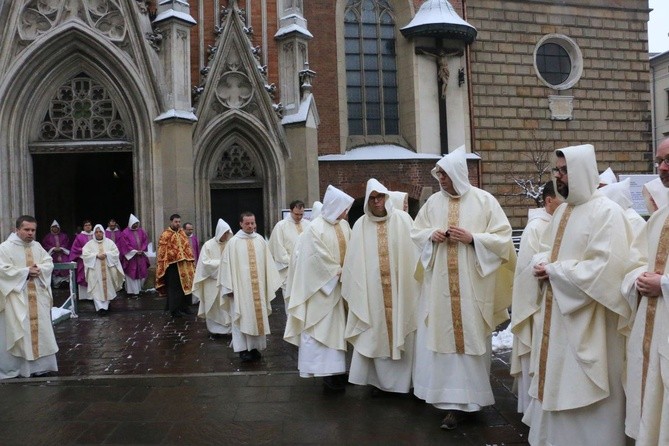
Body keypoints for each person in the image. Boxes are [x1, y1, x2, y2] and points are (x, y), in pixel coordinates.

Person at [524, 144, 632, 446]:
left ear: (583, 171)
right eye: (556, 170)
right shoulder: (563, 213)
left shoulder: (607, 212)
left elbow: (606, 268)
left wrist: (555, 271)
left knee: (587, 391)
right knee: (558, 382)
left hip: (590, 323)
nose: (559, 176)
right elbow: (546, 250)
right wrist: (539, 263)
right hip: (558, 319)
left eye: (564, 170)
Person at [410, 147, 516, 429]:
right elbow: (416, 232)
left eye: (444, 174)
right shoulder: (433, 203)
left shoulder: (484, 201)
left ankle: (472, 400)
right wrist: (430, 237)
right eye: (439, 174)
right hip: (441, 289)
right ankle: (449, 404)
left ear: (457, 173)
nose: (440, 179)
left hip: (472, 289)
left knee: (471, 341)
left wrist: (473, 239)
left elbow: (503, 240)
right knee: (444, 343)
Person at [342, 179, 419, 394]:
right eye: (372, 198)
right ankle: (377, 381)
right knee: (374, 333)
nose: (377, 201)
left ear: (387, 196)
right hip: (372, 292)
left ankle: (407, 382)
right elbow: (353, 263)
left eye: (380, 196)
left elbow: (415, 255)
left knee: (403, 326)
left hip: (400, 290)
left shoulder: (403, 220)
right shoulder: (360, 225)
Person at [621, 137, 669, 444]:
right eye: (659, 161)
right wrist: (638, 278)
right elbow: (638, 260)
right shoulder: (662, 215)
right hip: (654, 324)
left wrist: (663, 284)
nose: (662, 168)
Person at [284, 185, 354, 392]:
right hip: (321, 292)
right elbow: (314, 259)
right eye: (344, 208)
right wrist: (337, 272)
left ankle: (340, 372)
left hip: (341, 291)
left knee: (339, 332)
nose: (346, 213)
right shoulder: (315, 228)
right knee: (322, 331)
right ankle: (326, 375)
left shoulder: (344, 226)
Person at [509, 181, 561, 413]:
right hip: (536, 304)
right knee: (535, 359)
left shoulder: (558, 222)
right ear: (548, 201)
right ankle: (531, 409)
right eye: (561, 198)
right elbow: (527, 270)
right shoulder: (536, 227)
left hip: (552, 299)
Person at [0, 215, 58, 378]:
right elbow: (2, 270)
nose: (30, 233)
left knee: (42, 332)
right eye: (26, 229)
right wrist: (26, 272)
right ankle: (22, 368)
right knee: (20, 331)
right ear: (16, 230)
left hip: (37, 296)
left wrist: (39, 268)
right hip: (17, 298)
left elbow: (49, 262)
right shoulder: (5, 248)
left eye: (33, 230)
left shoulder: (37, 246)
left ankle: (41, 367)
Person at [218, 212, 281, 362]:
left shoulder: (260, 240)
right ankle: (243, 350)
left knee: (257, 317)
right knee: (241, 317)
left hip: (258, 289)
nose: (251, 226)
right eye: (247, 223)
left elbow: (268, 265)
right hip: (240, 290)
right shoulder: (233, 243)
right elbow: (226, 267)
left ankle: (255, 348)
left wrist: (268, 284)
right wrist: (229, 288)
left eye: (253, 223)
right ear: (240, 224)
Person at [194, 219, 233, 336]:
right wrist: (222, 264)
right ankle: (215, 329)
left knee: (227, 305)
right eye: (224, 233)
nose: (226, 235)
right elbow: (205, 264)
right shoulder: (208, 245)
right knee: (213, 305)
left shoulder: (231, 244)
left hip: (227, 282)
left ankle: (229, 329)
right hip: (212, 282)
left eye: (228, 233)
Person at [156, 214, 196, 318]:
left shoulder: (182, 232)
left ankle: (185, 307)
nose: (177, 224)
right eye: (176, 222)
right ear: (171, 222)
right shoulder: (165, 234)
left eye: (179, 222)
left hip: (184, 264)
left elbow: (187, 246)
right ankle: (174, 309)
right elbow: (162, 250)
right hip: (172, 266)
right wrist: (173, 255)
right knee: (175, 288)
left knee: (186, 286)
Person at [82, 224, 125, 315]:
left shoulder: (109, 242)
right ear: (94, 233)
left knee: (107, 288)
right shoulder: (89, 244)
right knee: (97, 289)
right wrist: (96, 255)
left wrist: (106, 254)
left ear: (103, 232)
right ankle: (100, 308)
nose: (98, 234)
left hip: (108, 271)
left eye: (100, 232)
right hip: (95, 272)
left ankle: (106, 306)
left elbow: (115, 253)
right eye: (96, 232)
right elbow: (85, 255)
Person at [269, 200, 309, 295]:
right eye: (296, 214)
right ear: (290, 211)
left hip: (306, 268)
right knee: (290, 298)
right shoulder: (281, 226)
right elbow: (278, 249)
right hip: (289, 269)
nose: (299, 217)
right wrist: (294, 262)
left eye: (301, 214)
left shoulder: (308, 225)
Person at [118, 214, 150, 297]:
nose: (135, 225)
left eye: (137, 223)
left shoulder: (141, 231)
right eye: (134, 223)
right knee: (131, 273)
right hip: (131, 258)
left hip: (140, 256)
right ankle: (132, 291)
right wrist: (134, 251)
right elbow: (124, 244)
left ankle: (139, 290)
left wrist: (142, 250)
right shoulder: (125, 232)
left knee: (141, 272)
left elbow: (145, 241)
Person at [68, 219, 94, 300]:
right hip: (83, 260)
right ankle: (84, 296)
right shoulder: (79, 236)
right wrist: (85, 252)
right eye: (86, 225)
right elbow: (75, 248)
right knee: (84, 276)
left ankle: (94, 296)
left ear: (91, 226)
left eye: (89, 225)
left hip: (94, 260)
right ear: (83, 227)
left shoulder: (96, 235)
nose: (88, 227)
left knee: (93, 277)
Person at [41, 220, 71, 288]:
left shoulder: (64, 236)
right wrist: (53, 248)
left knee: (66, 266)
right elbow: (45, 245)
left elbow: (67, 243)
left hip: (63, 254)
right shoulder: (47, 237)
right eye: (53, 227)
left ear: (58, 228)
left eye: (56, 227)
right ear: (51, 228)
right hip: (53, 255)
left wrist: (61, 248)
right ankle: (56, 284)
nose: (55, 229)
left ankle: (66, 282)